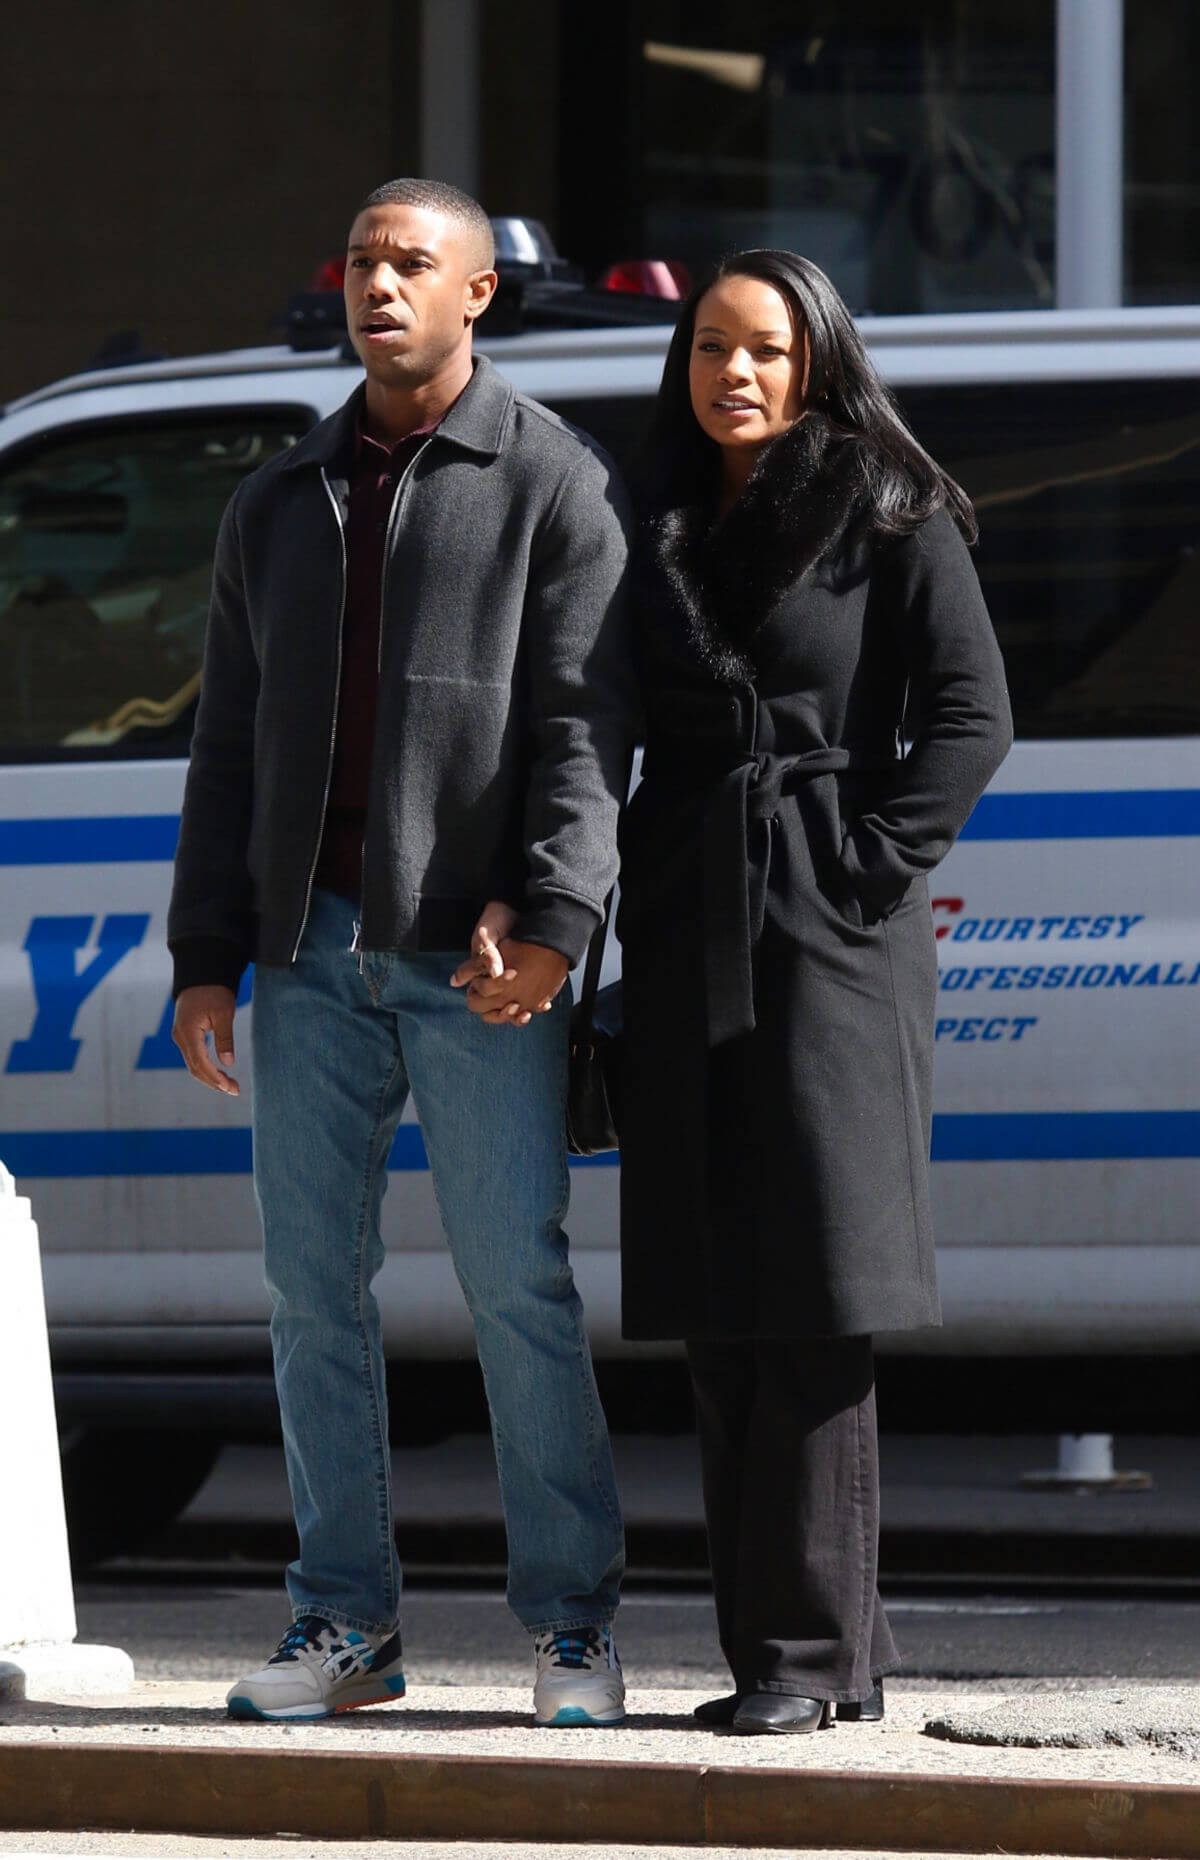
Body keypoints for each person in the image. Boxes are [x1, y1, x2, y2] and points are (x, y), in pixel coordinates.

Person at [169, 178, 633, 1727]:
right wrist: (206, 951)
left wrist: (561, 919)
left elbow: (583, 730)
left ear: (478, 295)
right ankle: (346, 1628)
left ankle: (572, 1631)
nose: (379, 284)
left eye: (411, 263)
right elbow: (225, 745)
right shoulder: (279, 497)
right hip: (308, 958)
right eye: (364, 260)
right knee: (311, 1297)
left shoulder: (551, 481)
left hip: (480, 961)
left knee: (518, 1291)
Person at [617, 250, 1012, 1734]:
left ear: (818, 361)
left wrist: (867, 864)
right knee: (721, 1300)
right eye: (712, 347)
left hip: (829, 930)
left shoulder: (884, 505)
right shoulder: (649, 511)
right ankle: (817, 1651)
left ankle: (802, 1662)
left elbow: (975, 711)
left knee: (813, 1297)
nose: (738, 374)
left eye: (769, 351)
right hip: (684, 912)